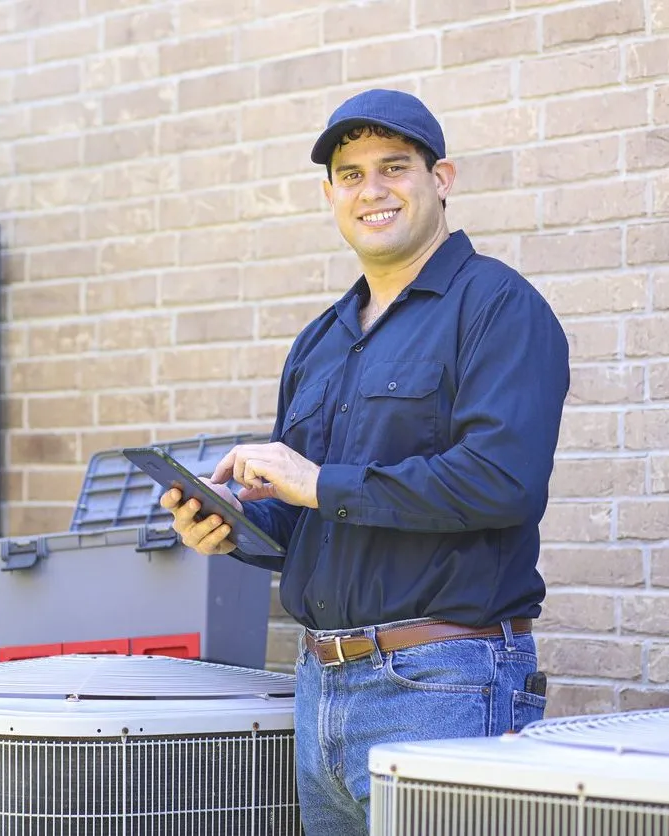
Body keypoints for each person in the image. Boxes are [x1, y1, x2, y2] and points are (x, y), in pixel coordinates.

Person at [159, 88, 570, 834]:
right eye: (350, 174)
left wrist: (316, 484)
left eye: (394, 167)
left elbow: (502, 481)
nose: (371, 190)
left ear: (440, 178)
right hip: (319, 687)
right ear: (330, 194)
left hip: (443, 684)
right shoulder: (321, 339)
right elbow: (313, 515)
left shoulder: (498, 308)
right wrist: (238, 526)